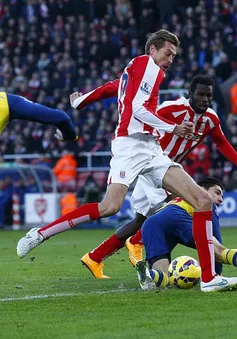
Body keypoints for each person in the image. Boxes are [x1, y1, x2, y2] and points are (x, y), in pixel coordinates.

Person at [17, 29, 236, 292]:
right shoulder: (149, 66)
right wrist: (173, 128)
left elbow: (113, 88)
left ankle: (210, 279)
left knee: (202, 200)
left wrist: (81, 102)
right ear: (152, 50)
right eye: (167, 53)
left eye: (174, 55)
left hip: (151, 148)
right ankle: (41, 233)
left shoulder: (135, 69)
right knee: (110, 206)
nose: (170, 60)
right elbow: (138, 110)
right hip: (129, 146)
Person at [73, 75, 237, 279]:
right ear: (190, 94)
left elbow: (222, 143)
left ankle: (95, 257)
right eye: (200, 94)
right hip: (153, 167)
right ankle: (136, 243)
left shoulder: (211, 120)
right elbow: (141, 116)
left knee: (140, 220)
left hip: (169, 172)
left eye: (208, 96)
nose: (205, 99)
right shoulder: (172, 108)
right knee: (173, 204)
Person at [136, 177, 237, 291]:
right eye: (217, 193)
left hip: (151, 224)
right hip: (175, 216)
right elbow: (213, 240)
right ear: (202, 189)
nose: (221, 199)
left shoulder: (181, 198)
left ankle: (149, 274)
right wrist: (217, 274)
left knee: (164, 278)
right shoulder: (205, 200)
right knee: (220, 251)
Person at [0, 92, 77, 141]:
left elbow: (61, 118)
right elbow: (61, 118)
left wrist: (69, 136)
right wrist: (69, 135)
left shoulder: (5, 103)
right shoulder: (6, 102)